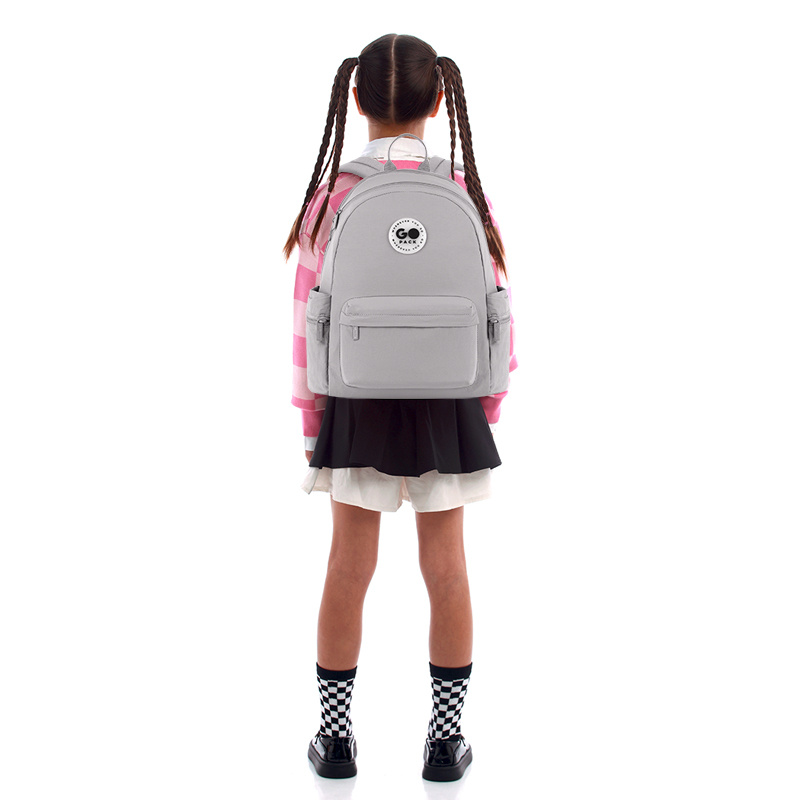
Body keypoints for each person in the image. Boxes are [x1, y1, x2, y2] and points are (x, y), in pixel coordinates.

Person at [283, 33, 517, 782]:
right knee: (447, 571)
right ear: (439, 99)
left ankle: (335, 740)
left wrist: (314, 425)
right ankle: (445, 745)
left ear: (355, 99)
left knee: (347, 568)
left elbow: (307, 324)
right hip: (450, 404)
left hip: (357, 404)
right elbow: (499, 312)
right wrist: (486, 408)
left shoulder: (331, 198)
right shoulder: (465, 192)